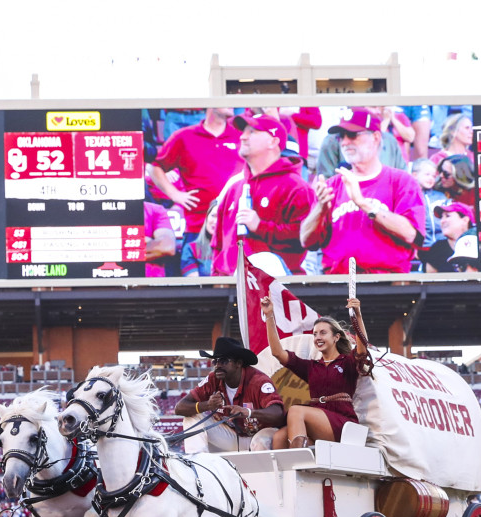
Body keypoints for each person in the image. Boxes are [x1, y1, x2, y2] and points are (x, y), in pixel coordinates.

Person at [300, 108, 426, 275]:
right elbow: (306, 241)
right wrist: (320, 209)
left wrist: (363, 204)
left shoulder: (401, 181)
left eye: (352, 135)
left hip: (388, 285)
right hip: (339, 283)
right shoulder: (332, 185)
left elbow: (411, 234)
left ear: (375, 137)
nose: (345, 142)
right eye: (341, 137)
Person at [211, 112, 315, 276]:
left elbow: (305, 238)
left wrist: (260, 226)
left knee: (266, 261)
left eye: (252, 132)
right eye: (243, 131)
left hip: (277, 292)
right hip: (232, 291)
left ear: (273, 141)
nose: (243, 137)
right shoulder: (234, 188)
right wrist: (217, 282)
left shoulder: (296, 187)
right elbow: (218, 246)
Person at [260, 296, 369, 448]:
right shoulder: (311, 366)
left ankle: (297, 457)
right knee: (279, 437)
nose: (317, 337)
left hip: (343, 423)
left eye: (323, 333)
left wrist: (357, 315)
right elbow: (278, 353)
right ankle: (289, 471)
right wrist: (269, 316)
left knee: (296, 411)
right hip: (317, 421)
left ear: (336, 337)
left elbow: (362, 349)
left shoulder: (347, 362)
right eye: (315, 334)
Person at [147, 108, 243, 273]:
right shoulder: (184, 137)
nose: (231, 103)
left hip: (236, 229)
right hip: (198, 229)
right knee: (202, 289)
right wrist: (175, 194)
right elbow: (155, 167)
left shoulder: (242, 135)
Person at [175, 337, 285, 453]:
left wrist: (248, 412)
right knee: (192, 417)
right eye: (215, 361)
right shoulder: (214, 378)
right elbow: (179, 408)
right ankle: (198, 462)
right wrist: (207, 405)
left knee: (261, 442)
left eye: (223, 361)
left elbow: (278, 413)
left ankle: (264, 471)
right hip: (233, 436)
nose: (217, 365)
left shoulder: (258, 381)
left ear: (238, 363)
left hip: (260, 435)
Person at [422, 202, 477, 273]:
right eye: (441, 217)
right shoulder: (438, 249)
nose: (442, 221)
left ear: (465, 220)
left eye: (447, 216)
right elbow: (430, 280)